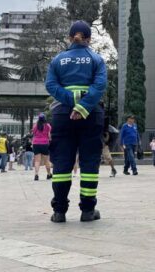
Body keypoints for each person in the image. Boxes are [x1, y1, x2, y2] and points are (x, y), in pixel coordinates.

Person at [44, 20, 107, 223]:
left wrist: (71, 101)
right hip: (91, 114)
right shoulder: (96, 59)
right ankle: (88, 211)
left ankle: (59, 211)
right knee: (89, 162)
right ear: (88, 39)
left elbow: (51, 85)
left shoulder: (57, 60)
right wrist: (82, 105)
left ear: (69, 38)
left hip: (62, 114)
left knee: (62, 161)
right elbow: (99, 86)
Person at [32, 114, 52, 181]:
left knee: (37, 161)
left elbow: (34, 134)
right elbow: (49, 135)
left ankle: (36, 175)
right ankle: (49, 174)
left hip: (36, 143)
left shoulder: (35, 125)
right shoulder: (47, 125)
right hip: (44, 144)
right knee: (46, 160)